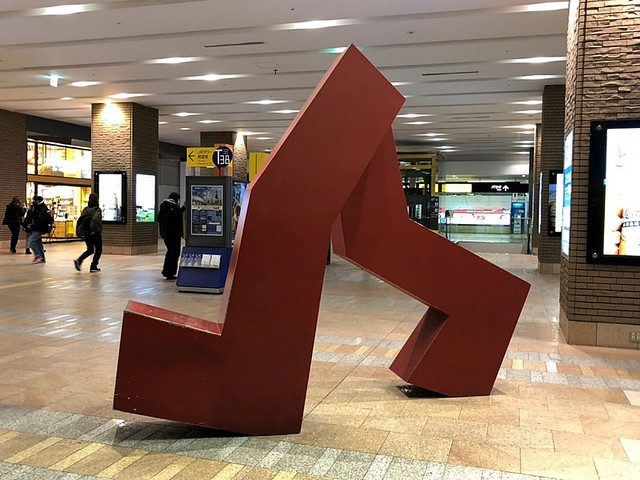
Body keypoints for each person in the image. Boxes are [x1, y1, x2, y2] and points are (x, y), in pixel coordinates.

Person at [157, 192, 185, 280]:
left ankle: (166, 271)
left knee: (170, 252)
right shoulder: (174, 207)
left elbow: (158, 219)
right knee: (174, 253)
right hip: (174, 234)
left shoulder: (163, 207)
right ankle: (170, 272)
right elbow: (177, 219)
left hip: (165, 234)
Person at [73, 193, 103, 272]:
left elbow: (81, 220)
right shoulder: (97, 210)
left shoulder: (85, 209)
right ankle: (94, 266)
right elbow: (95, 220)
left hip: (86, 233)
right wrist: (94, 229)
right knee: (99, 249)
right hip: (94, 233)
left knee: (90, 249)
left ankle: (79, 260)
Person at [23, 195, 50, 264]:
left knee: (32, 242)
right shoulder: (35, 208)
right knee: (38, 242)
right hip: (36, 227)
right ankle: (42, 257)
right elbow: (30, 216)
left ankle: (38, 256)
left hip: (39, 227)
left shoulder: (42, 209)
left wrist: (33, 225)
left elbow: (41, 219)